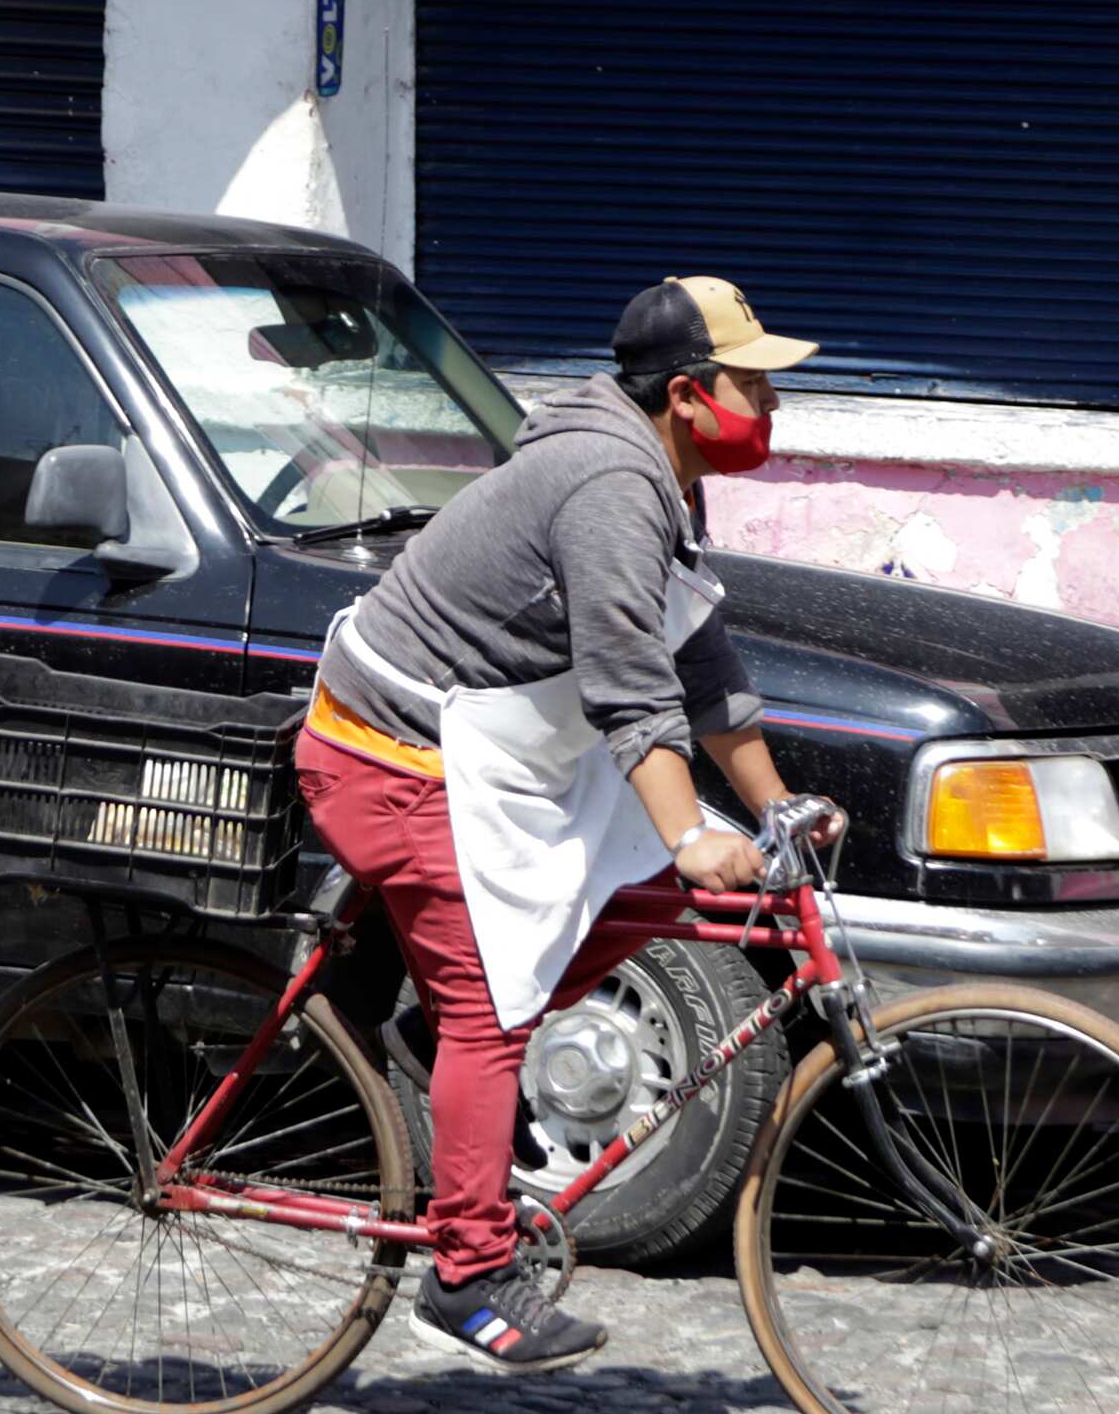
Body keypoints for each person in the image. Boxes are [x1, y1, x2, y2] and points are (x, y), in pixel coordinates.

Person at [295, 275, 848, 1374]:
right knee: (490, 1002)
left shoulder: (660, 477)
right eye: (754, 386)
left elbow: (700, 665)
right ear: (687, 395)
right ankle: (465, 1277)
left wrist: (771, 806)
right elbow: (631, 688)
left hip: (485, 745)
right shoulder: (609, 484)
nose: (773, 407)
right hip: (390, 754)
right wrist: (693, 831)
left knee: (649, 885)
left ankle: (432, 1048)